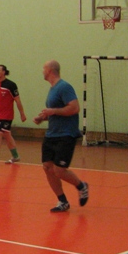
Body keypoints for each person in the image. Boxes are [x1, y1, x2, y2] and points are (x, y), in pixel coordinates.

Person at [33, 60, 89, 212]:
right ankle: (62, 201)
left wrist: (53, 111)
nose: (42, 71)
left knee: (59, 170)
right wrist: (43, 117)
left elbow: (74, 108)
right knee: (47, 167)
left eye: (44, 68)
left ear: (50, 70)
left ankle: (81, 186)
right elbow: (56, 112)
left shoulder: (64, 87)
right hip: (52, 134)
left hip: (66, 134)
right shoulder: (52, 89)